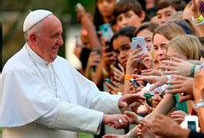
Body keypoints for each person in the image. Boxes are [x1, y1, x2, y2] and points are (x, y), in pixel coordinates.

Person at [0, 9, 144, 137]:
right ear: (33, 38)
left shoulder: (60, 63)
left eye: (61, 35)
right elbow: (49, 111)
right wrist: (102, 118)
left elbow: (90, 97)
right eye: (54, 36)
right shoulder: (16, 69)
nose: (61, 42)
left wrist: (119, 101)